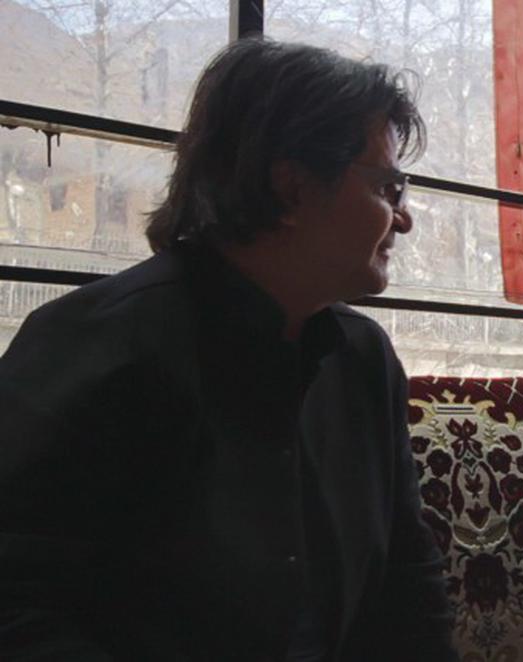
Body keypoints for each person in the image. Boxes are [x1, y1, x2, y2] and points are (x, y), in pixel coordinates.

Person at [0, 39, 457, 661]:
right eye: (388, 187)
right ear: (291, 187)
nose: (403, 219)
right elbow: (21, 608)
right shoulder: (91, 347)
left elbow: (408, 584)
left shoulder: (364, 358)